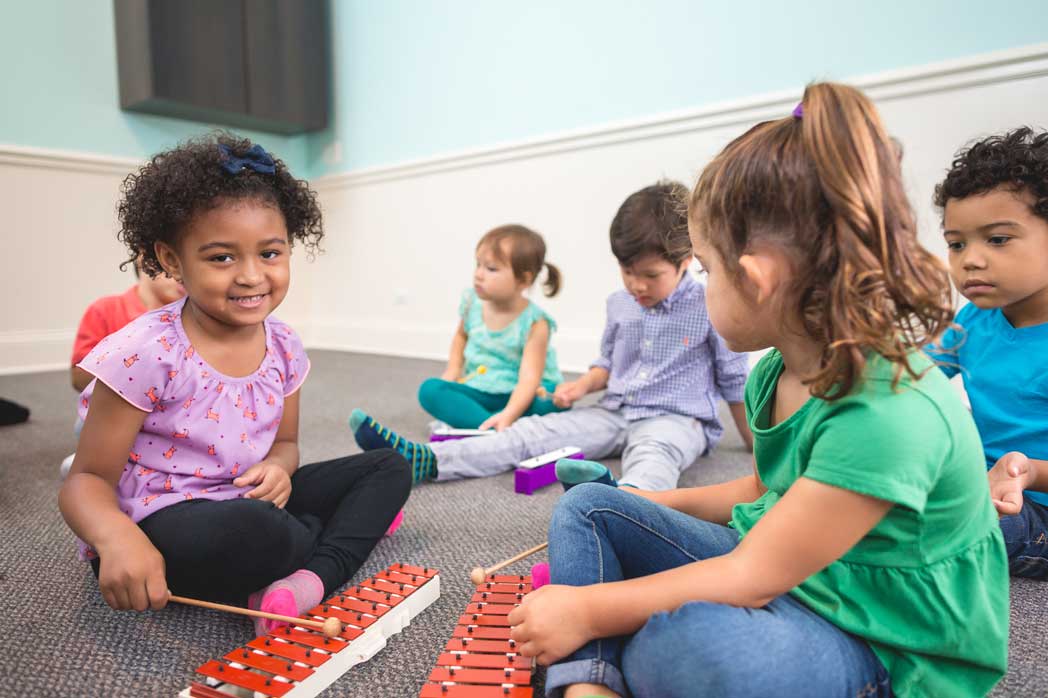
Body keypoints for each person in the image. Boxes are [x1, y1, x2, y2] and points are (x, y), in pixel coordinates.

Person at [507, 84, 1009, 698]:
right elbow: (762, 491)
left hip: (886, 641)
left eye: (709, 269)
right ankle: (591, 682)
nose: (705, 286)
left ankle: (595, 653)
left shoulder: (891, 412)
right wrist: (643, 505)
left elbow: (750, 575)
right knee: (591, 508)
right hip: (797, 573)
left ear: (757, 279)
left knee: (693, 650)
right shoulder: (777, 369)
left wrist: (587, 611)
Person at [58, 133, 411, 635]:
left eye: (270, 253)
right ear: (172, 260)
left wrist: (278, 469)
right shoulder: (144, 352)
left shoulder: (284, 346)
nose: (251, 276)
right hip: (164, 517)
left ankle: (308, 580)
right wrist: (117, 541)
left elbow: (286, 445)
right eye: (222, 258)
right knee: (259, 532)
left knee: (388, 468)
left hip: (246, 497)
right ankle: (337, 536)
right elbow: (85, 482)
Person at [349, 181, 751, 491]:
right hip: (614, 410)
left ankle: (626, 505)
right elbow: (607, 366)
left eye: (650, 276)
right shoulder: (619, 303)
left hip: (676, 420)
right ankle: (431, 460)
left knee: (653, 456)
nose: (636, 285)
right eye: (628, 272)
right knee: (532, 432)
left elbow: (733, 380)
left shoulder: (708, 306)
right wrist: (580, 387)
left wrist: (756, 443)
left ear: (684, 261)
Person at [927, 126, 1048, 578]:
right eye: (956, 244)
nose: (969, 260)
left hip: (1032, 507)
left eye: (996, 239)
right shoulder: (973, 320)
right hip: (977, 480)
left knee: (956, 526)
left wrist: (1028, 472)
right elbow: (912, 378)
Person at [418, 224, 565, 431]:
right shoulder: (471, 303)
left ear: (523, 279)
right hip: (479, 388)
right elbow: (461, 336)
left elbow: (529, 379)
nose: (478, 274)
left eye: (491, 269)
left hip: (520, 393)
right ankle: (492, 427)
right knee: (430, 390)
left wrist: (509, 413)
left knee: (551, 398)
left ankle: (490, 424)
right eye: (478, 264)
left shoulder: (535, 322)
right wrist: (453, 370)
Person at [70, 262, 185, 392]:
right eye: (172, 260)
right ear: (145, 258)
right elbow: (79, 378)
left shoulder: (195, 318)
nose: (183, 273)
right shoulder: (105, 310)